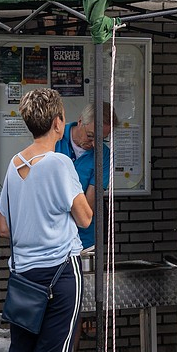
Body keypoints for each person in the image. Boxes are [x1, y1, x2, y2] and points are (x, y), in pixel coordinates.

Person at [0, 89, 93, 352]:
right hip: (59, 275)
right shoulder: (59, 163)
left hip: (23, 277)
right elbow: (85, 218)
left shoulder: (14, 163)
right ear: (57, 122)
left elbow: (4, 227)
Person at [54, 102, 113, 251]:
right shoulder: (55, 138)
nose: (94, 144)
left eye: (101, 139)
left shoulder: (104, 154)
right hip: (51, 235)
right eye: (90, 136)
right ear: (80, 121)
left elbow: (89, 204)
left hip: (83, 238)